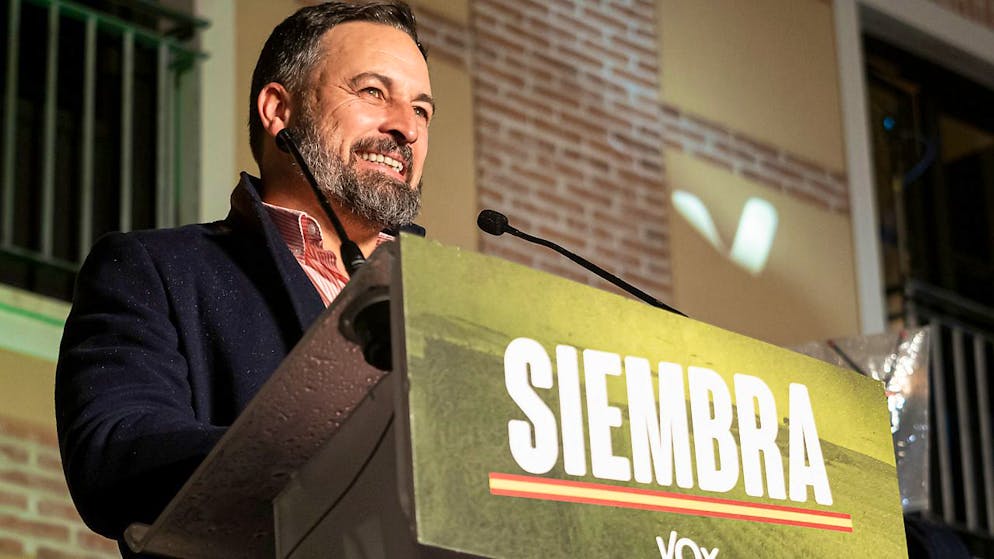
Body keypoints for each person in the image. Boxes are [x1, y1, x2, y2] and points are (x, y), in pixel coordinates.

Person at [54, 0, 434, 552]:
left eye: (422, 110)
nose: (406, 127)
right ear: (278, 110)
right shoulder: (156, 271)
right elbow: (112, 453)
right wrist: (344, 457)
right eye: (374, 92)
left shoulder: (451, 305)